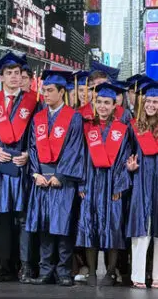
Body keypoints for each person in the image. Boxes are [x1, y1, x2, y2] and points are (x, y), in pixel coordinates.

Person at [0, 52, 39, 284]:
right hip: (0, 168)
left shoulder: (33, 102)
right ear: (1, 77)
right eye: (9, 73)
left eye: (17, 73)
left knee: (24, 216)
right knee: (3, 217)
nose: (14, 77)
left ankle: (26, 265)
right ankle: (4, 265)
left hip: (23, 168)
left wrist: (28, 154)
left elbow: (38, 134)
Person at [26, 70, 85, 286]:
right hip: (42, 181)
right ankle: (45, 271)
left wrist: (60, 175)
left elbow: (75, 149)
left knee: (63, 228)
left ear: (62, 92)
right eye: (44, 90)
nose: (46, 95)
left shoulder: (73, 117)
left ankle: (63, 272)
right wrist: (35, 173)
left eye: (50, 90)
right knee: (45, 228)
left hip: (63, 182)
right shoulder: (38, 118)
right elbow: (32, 148)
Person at [76, 83, 132, 287]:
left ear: (114, 105)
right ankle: (91, 272)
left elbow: (125, 159)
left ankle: (110, 272)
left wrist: (119, 185)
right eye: (99, 102)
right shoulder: (87, 127)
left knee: (113, 226)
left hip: (111, 185)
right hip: (91, 182)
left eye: (107, 103)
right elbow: (80, 158)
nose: (102, 106)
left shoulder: (121, 130)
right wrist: (81, 184)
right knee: (89, 225)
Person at [127, 81, 158, 289]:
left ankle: (157, 275)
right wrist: (128, 166)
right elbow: (124, 153)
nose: (151, 105)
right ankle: (137, 274)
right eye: (148, 101)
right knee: (141, 226)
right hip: (141, 181)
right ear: (142, 102)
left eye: (156, 101)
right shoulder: (135, 126)